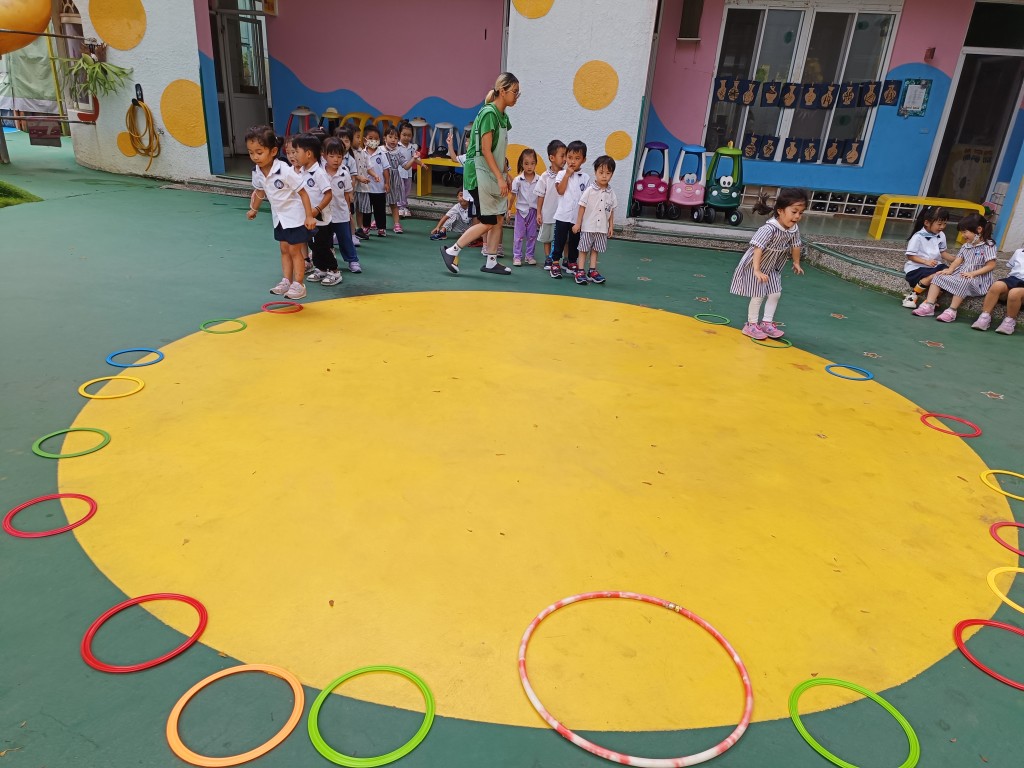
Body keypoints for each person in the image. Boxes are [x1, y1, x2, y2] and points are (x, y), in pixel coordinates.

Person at [440, 72, 520, 275]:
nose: (517, 96)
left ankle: (491, 261)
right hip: (479, 174)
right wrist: (500, 177)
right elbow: (485, 150)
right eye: (514, 91)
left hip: (492, 174)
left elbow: (499, 150)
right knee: (488, 221)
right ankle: (452, 251)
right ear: (502, 91)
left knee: (498, 218)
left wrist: (505, 174)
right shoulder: (489, 114)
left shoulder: (502, 116)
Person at [244, 125, 317, 300]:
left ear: (273, 151)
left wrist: (309, 216)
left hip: (295, 216)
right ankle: (286, 281)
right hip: (279, 217)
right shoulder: (257, 172)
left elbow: (303, 192)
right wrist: (254, 209)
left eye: (259, 152)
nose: (255, 157)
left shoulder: (284, 170)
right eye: (251, 153)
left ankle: (299, 284)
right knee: (284, 249)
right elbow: (260, 191)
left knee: (295, 250)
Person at [729, 188, 807, 339]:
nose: (797, 216)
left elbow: (796, 245)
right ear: (780, 211)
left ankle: (766, 323)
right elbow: (757, 248)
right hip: (756, 265)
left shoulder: (793, 229)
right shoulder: (769, 229)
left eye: (801, 213)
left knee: (775, 293)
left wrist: (796, 262)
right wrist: (757, 270)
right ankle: (751, 325)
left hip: (772, 267)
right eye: (794, 211)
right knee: (758, 294)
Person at [912, 213, 998, 322]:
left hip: (978, 280)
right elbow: (958, 260)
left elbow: (991, 265)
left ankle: (952, 310)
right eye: (961, 232)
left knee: (964, 280)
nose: (962, 235)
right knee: (938, 276)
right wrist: (950, 270)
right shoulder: (966, 245)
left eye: (965, 232)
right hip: (962, 273)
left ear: (979, 229)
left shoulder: (988, 245)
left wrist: (972, 274)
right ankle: (929, 305)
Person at [292, 133, 336, 287]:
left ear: (309, 154)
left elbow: (328, 194)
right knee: (313, 245)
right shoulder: (301, 172)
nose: (294, 155)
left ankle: (334, 270)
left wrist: (317, 209)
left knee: (322, 246)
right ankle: (321, 269)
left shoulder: (319, 173)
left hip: (321, 219)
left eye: (297, 152)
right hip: (308, 218)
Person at [571, 155, 617, 285]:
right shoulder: (590, 190)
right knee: (583, 249)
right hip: (588, 226)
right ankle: (580, 271)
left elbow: (611, 209)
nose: (604, 176)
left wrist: (611, 226)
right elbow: (582, 206)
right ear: (595, 172)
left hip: (602, 228)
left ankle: (592, 270)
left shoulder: (611, 192)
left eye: (608, 173)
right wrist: (578, 223)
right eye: (601, 172)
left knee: (596, 249)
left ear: (612, 174)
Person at [548, 140, 589, 279]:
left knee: (574, 241)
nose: (572, 161)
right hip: (562, 215)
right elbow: (560, 191)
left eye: (577, 158)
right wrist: (567, 175)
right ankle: (555, 262)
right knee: (559, 240)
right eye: (570, 157)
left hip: (577, 218)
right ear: (565, 157)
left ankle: (571, 262)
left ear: (583, 160)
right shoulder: (561, 174)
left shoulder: (585, 178)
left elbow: (586, 199)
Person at [322, 136, 360, 276]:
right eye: (332, 156)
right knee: (325, 240)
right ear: (324, 156)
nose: (336, 160)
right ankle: (325, 263)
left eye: (339, 156)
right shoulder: (320, 172)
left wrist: (348, 210)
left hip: (341, 212)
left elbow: (347, 193)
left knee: (345, 238)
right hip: (324, 213)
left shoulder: (344, 172)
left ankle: (352, 260)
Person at [901, 206, 953, 308]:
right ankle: (912, 296)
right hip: (917, 268)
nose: (942, 227)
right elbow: (910, 256)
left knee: (949, 275)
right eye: (939, 224)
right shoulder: (918, 237)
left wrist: (956, 259)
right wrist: (925, 262)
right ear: (927, 223)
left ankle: (930, 301)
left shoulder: (941, 235)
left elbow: (942, 252)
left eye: (945, 223)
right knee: (936, 276)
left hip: (934, 266)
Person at [971, 246, 1024, 334]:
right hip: (1013, 279)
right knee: (996, 286)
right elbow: (1012, 267)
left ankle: (1009, 321)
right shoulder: (1019, 252)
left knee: (1014, 293)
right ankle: (984, 316)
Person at [534, 139, 566, 270]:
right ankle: (548, 258)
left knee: (562, 238)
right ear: (552, 158)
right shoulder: (545, 176)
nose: (565, 159)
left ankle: (561, 259)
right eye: (562, 156)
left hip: (562, 214)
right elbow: (540, 195)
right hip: (548, 213)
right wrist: (538, 212)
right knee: (547, 238)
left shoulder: (566, 175)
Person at [511, 148, 539, 266]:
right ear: (522, 164)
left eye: (532, 163)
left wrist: (540, 212)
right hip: (521, 212)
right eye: (526, 163)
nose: (529, 166)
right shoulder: (518, 180)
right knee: (518, 236)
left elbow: (541, 197)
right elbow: (513, 195)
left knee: (532, 235)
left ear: (535, 164)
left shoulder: (539, 180)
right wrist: (509, 209)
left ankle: (529, 256)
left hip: (533, 211)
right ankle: (517, 256)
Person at [359, 124, 388, 238]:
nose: (373, 141)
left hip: (379, 188)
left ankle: (381, 228)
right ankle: (366, 227)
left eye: (376, 139)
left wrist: (387, 183)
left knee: (380, 209)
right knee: (366, 209)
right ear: (365, 140)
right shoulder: (361, 153)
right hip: (366, 188)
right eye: (370, 138)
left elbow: (386, 169)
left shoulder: (382, 154)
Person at [383, 126, 405, 233]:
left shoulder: (398, 152)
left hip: (394, 180)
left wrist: (414, 159)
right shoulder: (380, 151)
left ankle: (397, 224)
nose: (393, 140)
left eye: (396, 138)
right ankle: (378, 221)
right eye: (390, 137)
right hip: (382, 179)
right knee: (379, 203)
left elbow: (406, 166)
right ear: (384, 138)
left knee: (393, 203)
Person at [397, 121, 421, 218]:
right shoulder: (397, 146)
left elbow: (415, 158)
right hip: (399, 173)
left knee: (407, 190)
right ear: (399, 134)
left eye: (409, 135)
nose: (406, 137)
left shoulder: (412, 147)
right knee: (400, 189)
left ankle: (404, 206)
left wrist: (422, 164)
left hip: (408, 173)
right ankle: (399, 207)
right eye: (404, 135)